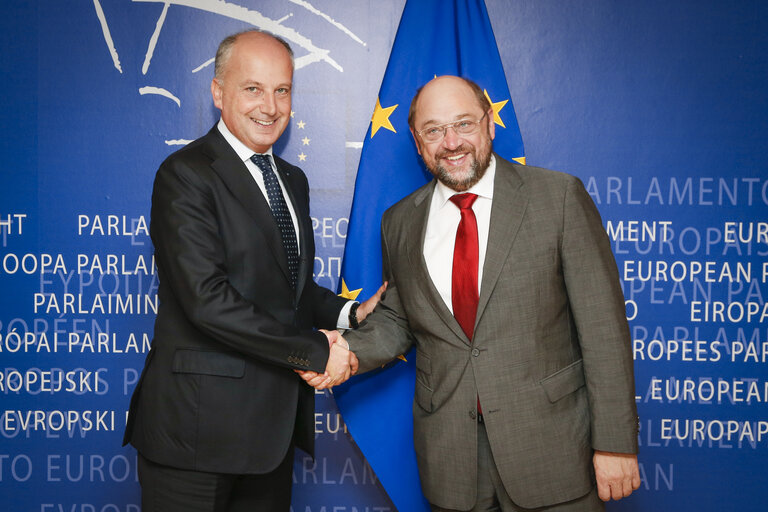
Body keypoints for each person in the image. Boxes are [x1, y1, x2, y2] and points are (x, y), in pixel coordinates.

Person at [302, 75, 640, 511]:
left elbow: (603, 330)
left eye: (463, 124)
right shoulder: (399, 222)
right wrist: (346, 350)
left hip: (553, 452)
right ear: (417, 142)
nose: (451, 142)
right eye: (434, 130)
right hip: (452, 462)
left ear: (489, 123)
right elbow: (399, 319)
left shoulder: (557, 198)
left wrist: (615, 444)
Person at [123, 30, 379, 511]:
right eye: (253, 88)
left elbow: (288, 292)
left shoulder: (291, 180)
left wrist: (353, 313)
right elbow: (208, 300)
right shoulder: (185, 174)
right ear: (219, 93)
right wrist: (314, 352)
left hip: (270, 437)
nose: (271, 105)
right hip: (196, 439)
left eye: (282, 90)